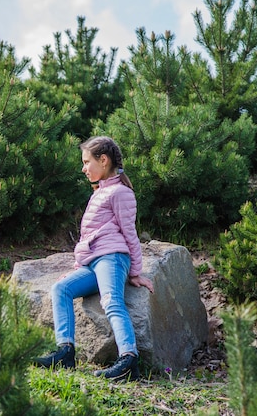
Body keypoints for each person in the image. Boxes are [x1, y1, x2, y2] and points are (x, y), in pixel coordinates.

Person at [33, 136, 154, 382]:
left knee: (111, 301)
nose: (83, 168)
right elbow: (89, 234)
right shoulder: (99, 192)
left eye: (87, 162)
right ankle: (65, 353)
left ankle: (129, 360)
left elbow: (130, 233)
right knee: (61, 288)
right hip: (94, 262)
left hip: (112, 258)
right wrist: (79, 266)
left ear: (104, 160)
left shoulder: (121, 192)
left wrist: (135, 272)